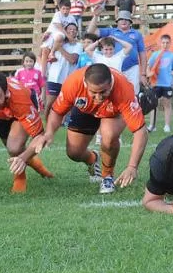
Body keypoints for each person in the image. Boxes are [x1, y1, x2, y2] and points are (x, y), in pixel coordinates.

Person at [34, 64, 149, 194]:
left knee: (109, 135)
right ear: (85, 84)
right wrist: (49, 133)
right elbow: (57, 111)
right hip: (85, 108)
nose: (99, 97)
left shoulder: (123, 89)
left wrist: (132, 166)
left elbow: (140, 131)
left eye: (103, 92)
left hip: (112, 111)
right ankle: (93, 159)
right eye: (94, 92)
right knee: (74, 153)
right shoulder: (73, 83)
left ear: (111, 83)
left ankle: (107, 177)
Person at [87, 10, 146, 94]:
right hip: (114, 68)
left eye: (126, 19)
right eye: (121, 19)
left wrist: (143, 74)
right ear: (117, 21)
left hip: (132, 68)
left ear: (130, 22)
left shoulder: (137, 34)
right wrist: (96, 16)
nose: (124, 21)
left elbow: (142, 53)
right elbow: (91, 31)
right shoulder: (111, 31)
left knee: (133, 93)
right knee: (116, 93)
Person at [42, 23, 82, 117]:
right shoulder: (57, 41)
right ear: (65, 30)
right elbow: (44, 53)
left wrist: (59, 48)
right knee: (49, 103)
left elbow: (72, 60)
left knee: (67, 104)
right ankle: (47, 124)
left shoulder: (78, 45)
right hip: (54, 77)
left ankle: (66, 123)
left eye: (74, 29)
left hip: (68, 79)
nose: (72, 31)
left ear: (77, 32)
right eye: (70, 29)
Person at [147, 34, 173, 133]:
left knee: (167, 104)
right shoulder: (155, 54)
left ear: (170, 44)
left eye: (167, 43)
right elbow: (148, 66)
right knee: (153, 104)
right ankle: (152, 124)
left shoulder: (172, 56)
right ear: (160, 43)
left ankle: (167, 125)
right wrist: (149, 74)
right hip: (156, 83)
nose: (165, 45)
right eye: (163, 43)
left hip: (167, 84)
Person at [39, 0, 76, 69]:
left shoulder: (71, 18)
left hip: (60, 35)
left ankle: (52, 53)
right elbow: (59, 27)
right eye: (63, 9)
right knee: (44, 51)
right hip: (51, 34)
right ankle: (42, 73)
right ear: (59, 8)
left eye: (67, 9)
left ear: (70, 9)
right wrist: (69, 36)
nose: (65, 11)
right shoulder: (57, 14)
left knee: (59, 37)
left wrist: (72, 37)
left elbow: (74, 28)